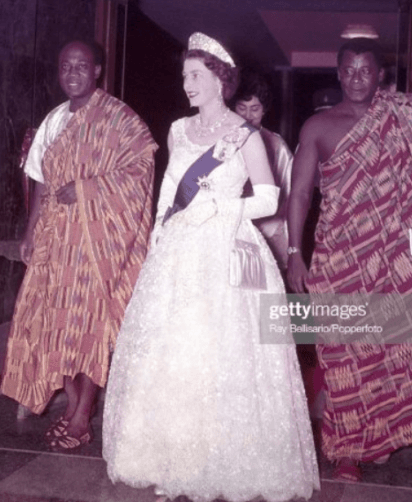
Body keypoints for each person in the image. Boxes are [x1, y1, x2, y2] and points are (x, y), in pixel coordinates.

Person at [103, 33, 319, 502]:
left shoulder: (247, 135)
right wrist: (160, 231)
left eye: (195, 76)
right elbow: (168, 187)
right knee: (177, 350)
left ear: (220, 79)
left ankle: (220, 462)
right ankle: (170, 457)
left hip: (228, 249)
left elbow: (267, 197)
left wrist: (221, 210)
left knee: (225, 352)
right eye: (184, 76)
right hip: (180, 250)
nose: (187, 85)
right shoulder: (179, 130)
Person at [287, 38, 412, 481]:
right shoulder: (318, 126)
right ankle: (346, 450)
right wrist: (294, 252)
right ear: (338, 74)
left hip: (395, 256)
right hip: (340, 257)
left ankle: (376, 437)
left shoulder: (401, 117)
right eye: (349, 70)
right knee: (344, 354)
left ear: (380, 74)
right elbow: (301, 193)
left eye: (367, 70)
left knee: (387, 351)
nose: (357, 78)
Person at [0, 39, 158, 451]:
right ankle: (72, 404)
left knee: (90, 327)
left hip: (97, 246)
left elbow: (140, 168)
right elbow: (39, 181)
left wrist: (89, 188)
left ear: (98, 71)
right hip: (56, 241)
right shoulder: (53, 121)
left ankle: (83, 415)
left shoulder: (120, 119)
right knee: (55, 325)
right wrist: (31, 230)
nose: (73, 73)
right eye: (65, 66)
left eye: (81, 66)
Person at [233, 73, 293, 268]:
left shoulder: (276, 145)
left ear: (264, 110)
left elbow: (288, 195)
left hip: (268, 233)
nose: (247, 116)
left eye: (254, 109)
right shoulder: (222, 142)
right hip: (229, 229)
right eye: (241, 108)